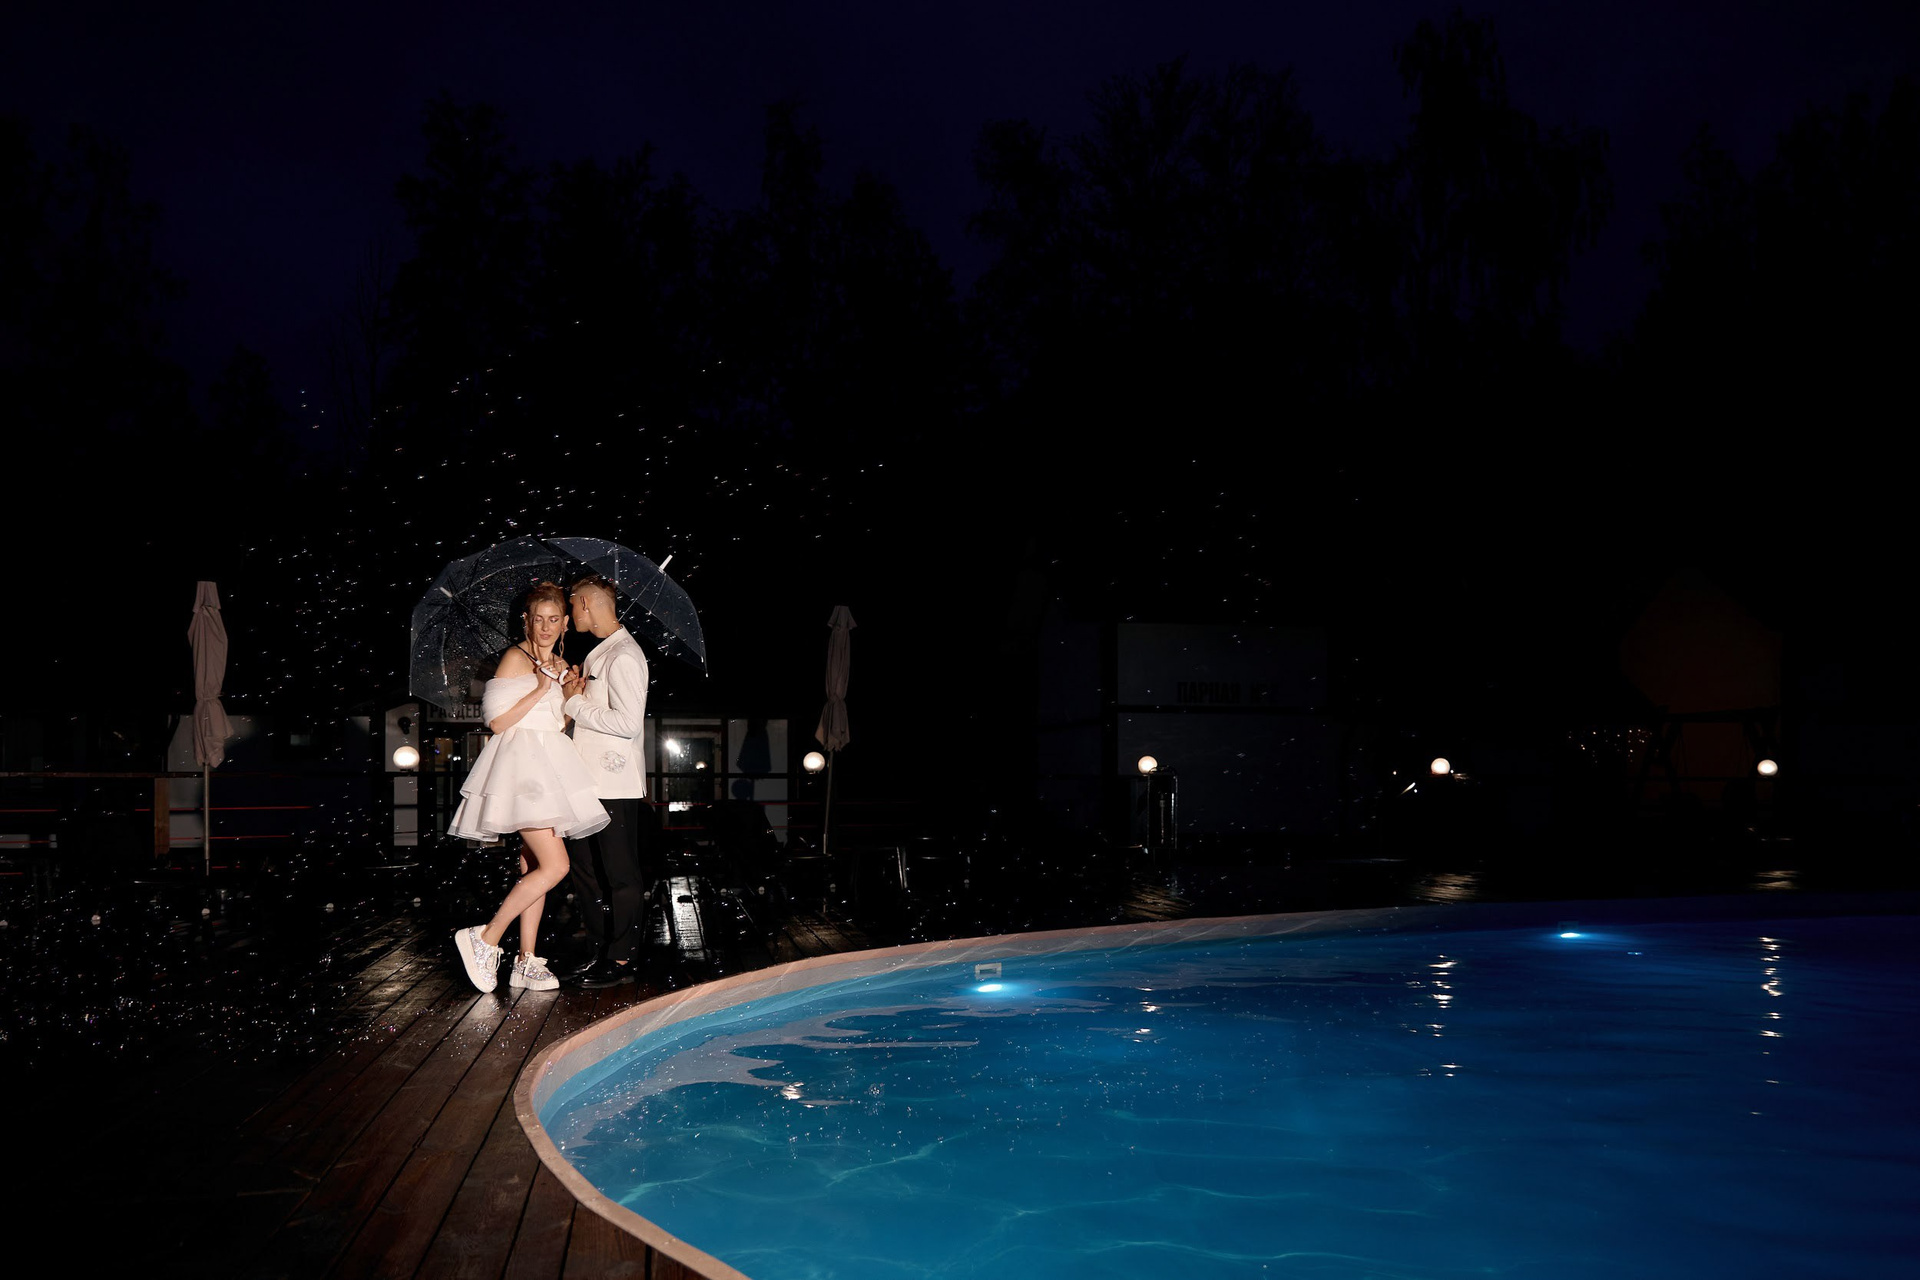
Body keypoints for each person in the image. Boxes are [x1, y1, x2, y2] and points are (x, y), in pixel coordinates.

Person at [448, 582, 609, 993]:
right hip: (522, 769)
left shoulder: (561, 663)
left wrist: (571, 696)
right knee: (557, 867)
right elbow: (497, 722)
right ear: (527, 621)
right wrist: (539, 688)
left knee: (535, 867)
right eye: (539, 619)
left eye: (554, 619)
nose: (546, 627)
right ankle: (485, 937)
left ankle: (526, 959)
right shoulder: (515, 658)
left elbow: (555, 725)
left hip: (551, 768)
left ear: (565, 623)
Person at [557, 573, 651, 987]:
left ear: (585, 603)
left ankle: (623, 959)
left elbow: (629, 724)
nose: (569, 614)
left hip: (614, 784)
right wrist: (576, 694)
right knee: (586, 871)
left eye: (571, 605)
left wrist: (575, 703)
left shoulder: (625, 655)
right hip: (585, 782)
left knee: (620, 873)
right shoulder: (601, 653)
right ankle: (599, 949)